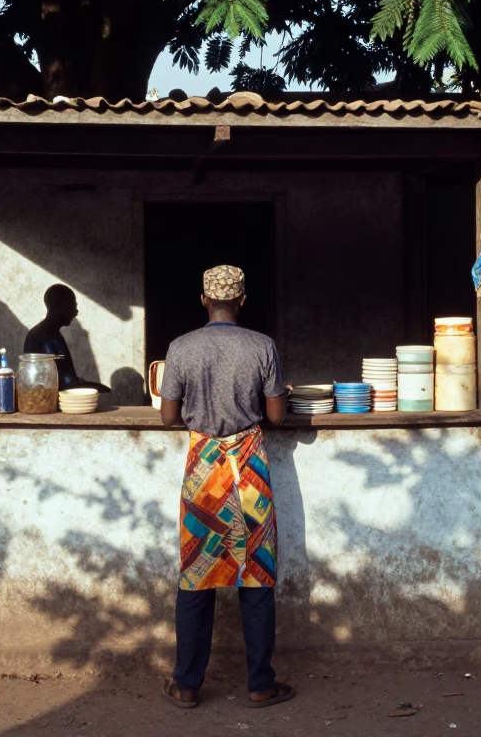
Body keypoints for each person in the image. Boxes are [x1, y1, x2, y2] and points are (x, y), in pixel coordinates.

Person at [157, 265, 294, 710]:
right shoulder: (261, 345)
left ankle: (186, 684)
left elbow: (168, 416)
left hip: (204, 470)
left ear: (204, 300)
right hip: (247, 467)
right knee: (257, 572)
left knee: (197, 572)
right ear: (242, 300)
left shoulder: (181, 347)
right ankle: (260, 684)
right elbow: (276, 417)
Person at [23, 284, 110, 392]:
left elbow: (67, 379)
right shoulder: (46, 337)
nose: (76, 312)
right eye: (72, 305)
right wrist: (97, 388)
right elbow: (64, 383)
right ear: (58, 306)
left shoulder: (47, 333)